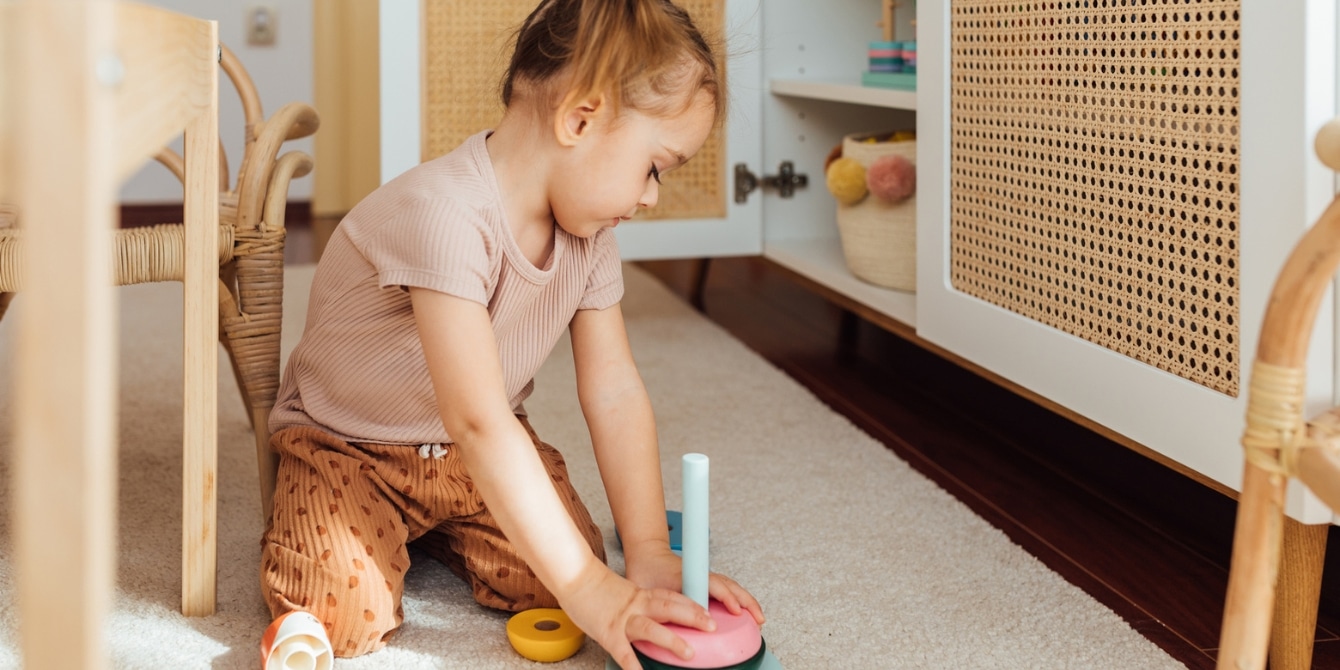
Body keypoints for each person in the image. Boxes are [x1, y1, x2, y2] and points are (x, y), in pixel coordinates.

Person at [257, 0, 764, 668]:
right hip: (350, 448)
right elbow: (477, 420)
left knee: (558, 574)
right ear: (580, 119)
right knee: (341, 614)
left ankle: (433, 533)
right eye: (655, 168)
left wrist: (642, 553)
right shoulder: (443, 214)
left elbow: (612, 390)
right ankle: (367, 540)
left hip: (469, 460)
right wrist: (590, 589)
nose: (650, 198)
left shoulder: (591, 236)